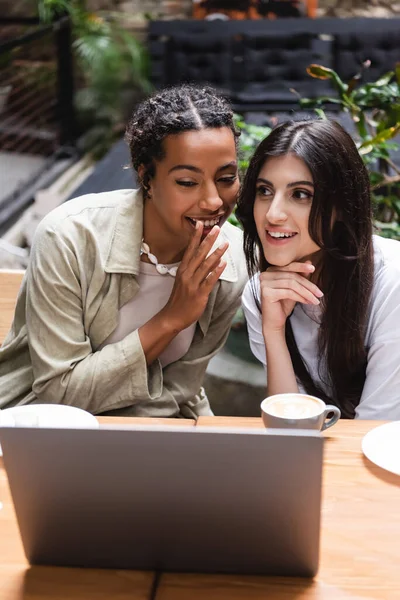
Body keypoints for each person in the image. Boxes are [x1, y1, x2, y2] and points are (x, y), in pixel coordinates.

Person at [0, 84, 247, 418]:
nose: (214, 201)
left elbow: (180, 389)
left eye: (226, 178)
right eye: (187, 182)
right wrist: (171, 319)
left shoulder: (229, 262)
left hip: (163, 426)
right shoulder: (70, 238)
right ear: (147, 177)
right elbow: (58, 395)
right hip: (41, 424)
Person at [236, 119, 400, 420]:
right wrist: (273, 331)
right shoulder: (264, 293)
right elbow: (290, 428)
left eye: (300, 194)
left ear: (341, 206)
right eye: (264, 190)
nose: (273, 214)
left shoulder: (391, 282)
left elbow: (375, 429)